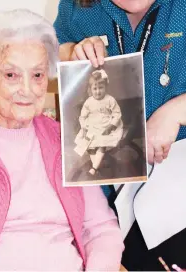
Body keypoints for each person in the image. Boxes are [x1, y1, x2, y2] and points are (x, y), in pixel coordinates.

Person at [0, 9, 124, 271]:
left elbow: (101, 230)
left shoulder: (69, 141)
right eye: (11, 75)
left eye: (37, 75)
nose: (26, 90)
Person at [53, 0, 186, 270]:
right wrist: (70, 53)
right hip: (106, 198)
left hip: (177, 198)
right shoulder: (76, 7)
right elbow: (49, 51)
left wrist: (178, 110)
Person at [74, 69, 123, 175]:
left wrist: (111, 126)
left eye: (101, 88)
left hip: (106, 126)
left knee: (101, 144)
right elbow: (82, 117)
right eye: (95, 88)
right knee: (90, 147)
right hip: (92, 126)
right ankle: (96, 164)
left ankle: (94, 169)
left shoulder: (110, 100)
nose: (98, 91)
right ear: (90, 89)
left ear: (106, 87)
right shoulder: (89, 102)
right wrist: (84, 128)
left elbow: (117, 113)